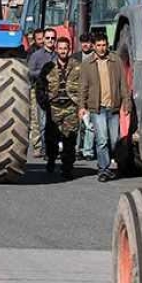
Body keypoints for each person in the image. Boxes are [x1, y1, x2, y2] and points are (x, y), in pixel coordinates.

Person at [79, 32, 131, 182]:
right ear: (94, 46)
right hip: (97, 108)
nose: (101, 48)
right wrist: (82, 106)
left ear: (107, 45)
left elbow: (123, 84)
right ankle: (103, 169)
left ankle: (109, 164)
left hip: (113, 107)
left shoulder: (115, 61)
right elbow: (83, 87)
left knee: (114, 141)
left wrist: (126, 103)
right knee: (102, 139)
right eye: (99, 45)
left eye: (104, 45)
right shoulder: (87, 64)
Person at [38, 37, 81, 179]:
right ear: (57, 50)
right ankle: (51, 159)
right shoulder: (48, 67)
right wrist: (44, 103)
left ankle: (67, 168)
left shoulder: (77, 66)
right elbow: (40, 86)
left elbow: (84, 85)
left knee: (70, 139)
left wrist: (82, 104)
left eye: (65, 48)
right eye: (60, 48)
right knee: (51, 138)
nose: (63, 51)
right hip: (53, 107)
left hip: (70, 107)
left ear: (69, 50)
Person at [28, 28, 57, 157]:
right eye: (48, 38)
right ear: (44, 39)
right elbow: (29, 72)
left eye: (53, 38)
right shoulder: (36, 56)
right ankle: (39, 146)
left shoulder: (57, 55)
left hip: (54, 91)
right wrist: (43, 72)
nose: (50, 40)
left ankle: (50, 146)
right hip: (39, 91)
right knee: (39, 121)